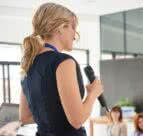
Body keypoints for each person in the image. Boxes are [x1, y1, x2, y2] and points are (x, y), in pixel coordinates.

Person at [19, 3, 103, 136]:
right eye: (73, 27)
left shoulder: (28, 64)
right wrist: (93, 93)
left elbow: (25, 117)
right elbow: (77, 120)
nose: (75, 35)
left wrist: (54, 115)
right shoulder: (64, 62)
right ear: (60, 28)